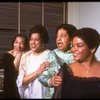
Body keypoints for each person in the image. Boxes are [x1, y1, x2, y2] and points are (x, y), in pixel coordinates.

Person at [53, 27, 100, 98]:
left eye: (79, 46)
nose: (73, 49)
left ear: (93, 48)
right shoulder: (65, 72)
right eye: (72, 45)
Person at [38, 24, 77, 98]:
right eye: (57, 36)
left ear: (71, 39)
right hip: (54, 95)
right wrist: (50, 81)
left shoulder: (77, 55)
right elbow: (41, 77)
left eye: (62, 36)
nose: (58, 39)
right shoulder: (52, 54)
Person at [16, 25, 51, 99]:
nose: (33, 42)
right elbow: (21, 81)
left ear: (43, 41)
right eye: (31, 39)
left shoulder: (50, 55)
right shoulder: (25, 57)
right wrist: (37, 72)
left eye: (36, 39)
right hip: (29, 95)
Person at [2, 33, 29, 98]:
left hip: (22, 86)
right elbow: (14, 70)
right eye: (16, 42)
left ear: (25, 45)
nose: (18, 45)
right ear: (13, 43)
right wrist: (19, 55)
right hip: (10, 86)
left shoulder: (26, 55)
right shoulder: (7, 55)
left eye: (21, 43)